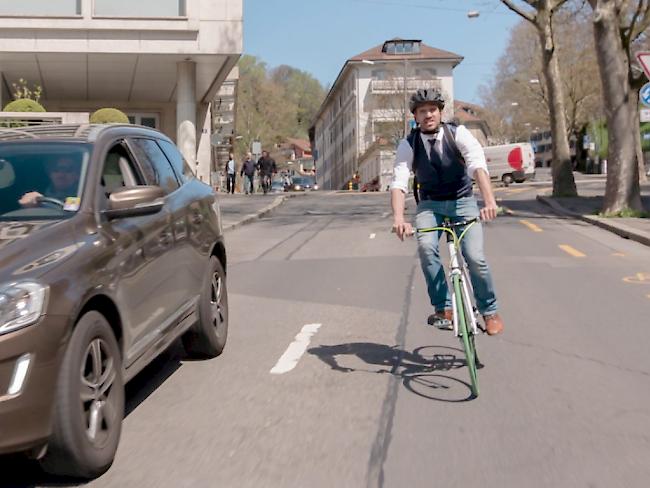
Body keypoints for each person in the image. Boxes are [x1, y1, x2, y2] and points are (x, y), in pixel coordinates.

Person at [390, 88, 504, 336]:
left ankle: (489, 311)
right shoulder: (408, 144)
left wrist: (489, 201)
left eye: (432, 109)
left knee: (475, 257)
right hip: (429, 205)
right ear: (415, 117)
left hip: (462, 201)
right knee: (426, 248)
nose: (428, 114)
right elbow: (399, 183)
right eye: (422, 111)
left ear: (440, 112)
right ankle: (444, 308)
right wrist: (399, 218)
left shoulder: (458, 134)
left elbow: (477, 166)